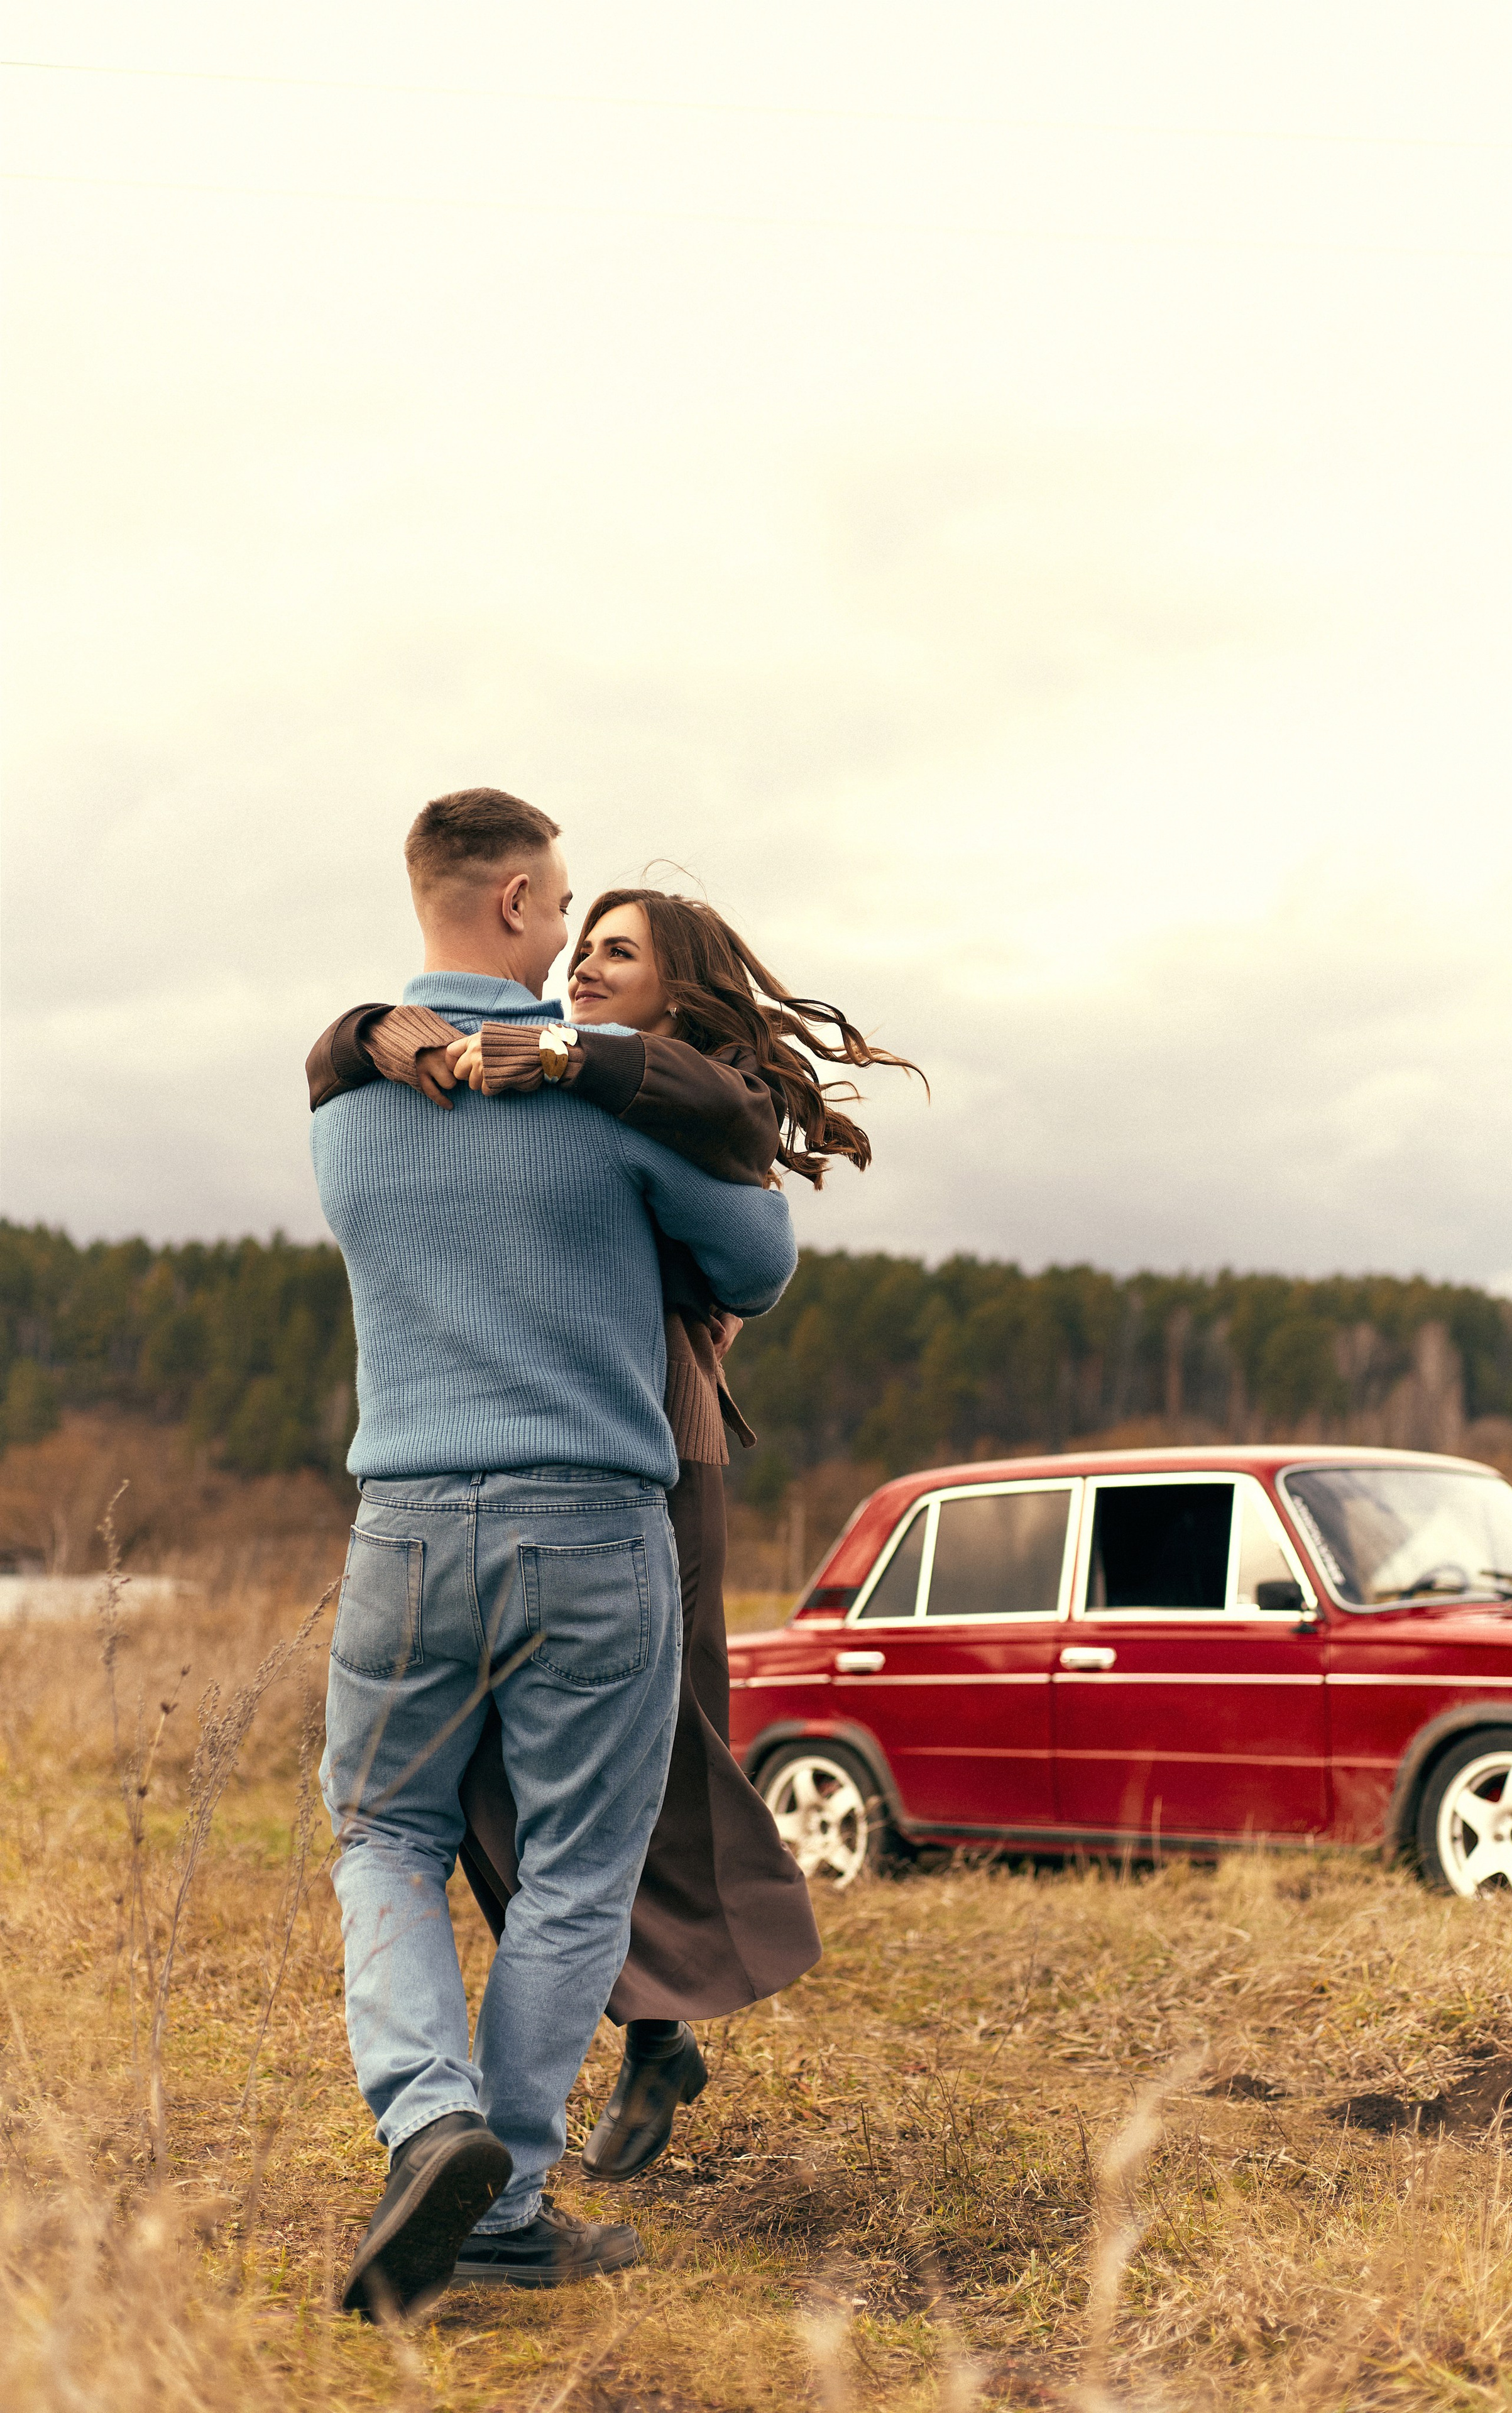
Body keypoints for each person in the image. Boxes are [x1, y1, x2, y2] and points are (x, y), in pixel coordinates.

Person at [309, 885, 923, 2184]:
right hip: (561, 1474)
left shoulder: (672, 1097)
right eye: (578, 946)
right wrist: (380, 1029)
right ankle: (576, 2085)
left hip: (651, 1449)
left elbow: (747, 1236)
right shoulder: (562, 1092)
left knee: (653, 1766)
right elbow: (350, 1054)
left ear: (675, 988)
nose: (583, 969)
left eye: (618, 954)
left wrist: (569, 1056)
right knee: (531, 1791)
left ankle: (645, 2034)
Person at [309, 789, 797, 2319]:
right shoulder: (596, 1106)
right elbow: (757, 1265)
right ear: (519, 902)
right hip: (590, 1527)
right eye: (567, 907)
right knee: (580, 1873)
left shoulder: (345, 1109)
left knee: (385, 1836)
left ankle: (425, 2116)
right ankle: (507, 2198)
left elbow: (346, 1062)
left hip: (401, 1525)